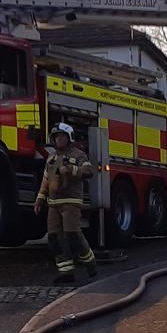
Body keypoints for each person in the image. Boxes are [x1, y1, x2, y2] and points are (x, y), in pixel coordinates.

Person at [33, 122, 99, 286]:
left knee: (72, 235)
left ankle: (90, 263)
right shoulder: (51, 158)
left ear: (69, 138)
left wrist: (70, 169)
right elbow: (46, 180)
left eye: (62, 136)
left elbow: (89, 171)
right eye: (56, 137)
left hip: (71, 202)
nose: (59, 140)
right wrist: (40, 198)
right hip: (53, 204)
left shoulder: (78, 155)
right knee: (54, 238)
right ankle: (66, 272)